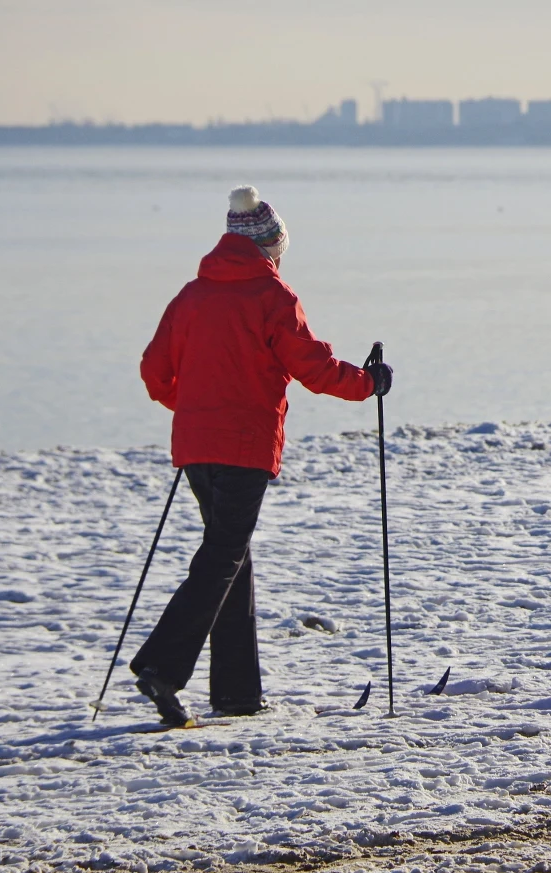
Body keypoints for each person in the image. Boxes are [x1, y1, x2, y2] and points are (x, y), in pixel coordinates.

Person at [130, 185, 392, 726]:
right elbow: (314, 369)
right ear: (269, 247)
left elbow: (155, 374)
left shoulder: (190, 296)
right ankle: (160, 666)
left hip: (196, 447)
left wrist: (198, 407)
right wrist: (368, 385)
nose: (279, 258)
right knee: (223, 557)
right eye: (278, 250)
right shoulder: (273, 298)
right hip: (244, 446)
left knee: (231, 558)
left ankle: (236, 694)